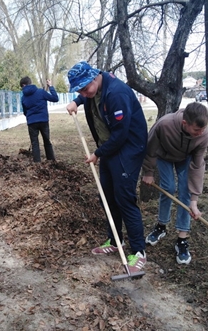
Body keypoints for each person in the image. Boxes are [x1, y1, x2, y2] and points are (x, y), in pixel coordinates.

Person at [66, 61, 148, 273]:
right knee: (107, 196)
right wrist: (77, 101)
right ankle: (115, 240)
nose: (84, 92)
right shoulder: (94, 89)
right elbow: (86, 95)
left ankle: (139, 252)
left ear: (95, 77)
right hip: (109, 149)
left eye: (84, 88)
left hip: (127, 150)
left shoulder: (116, 94)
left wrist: (97, 154)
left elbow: (121, 135)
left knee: (124, 199)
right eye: (79, 90)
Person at [142, 102, 208, 265]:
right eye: (196, 130)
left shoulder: (204, 136)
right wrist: (148, 172)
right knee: (168, 188)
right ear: (184, 123)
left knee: (185, 190)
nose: (200, 133)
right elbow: (150, 149)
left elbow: (197, 166)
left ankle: (182, 238)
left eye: (203, 129)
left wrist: (194, 201)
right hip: (164, 156)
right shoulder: (165, 124)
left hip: (185, 158)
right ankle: (161, 226)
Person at [20, 76, 59, 162]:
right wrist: (51, 87)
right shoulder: (41, 92)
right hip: (43, 120)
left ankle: (37, 163)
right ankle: (51, 161)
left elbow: (25, 112)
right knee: (47, 141)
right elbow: (55, 98)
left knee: (35, 143)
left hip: (31, 122)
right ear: (30, 83)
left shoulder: (23, 98)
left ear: (23, 85)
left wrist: (30, 117)